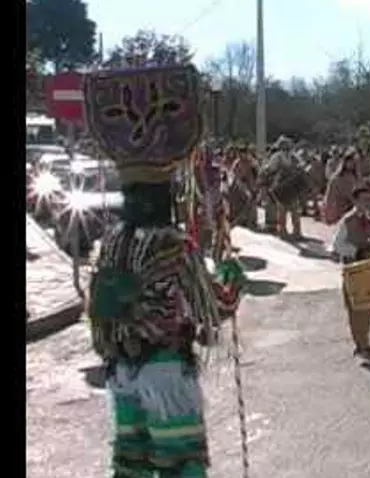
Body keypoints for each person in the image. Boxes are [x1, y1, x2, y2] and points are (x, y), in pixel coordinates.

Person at [83, 65, 236, 478]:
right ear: (165, 195)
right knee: (178, 464)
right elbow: (214, 308)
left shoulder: (111, 242)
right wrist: (232, 279)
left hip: (121, 373)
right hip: (166, 373)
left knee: (130, 464)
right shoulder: (172, 244)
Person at [329, 187, 370, 361]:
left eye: (369, 200)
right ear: (355, 201)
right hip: (354, 271)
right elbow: (337, 245)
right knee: (356, 311)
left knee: (368, 310)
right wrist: (356, 251)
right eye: (363, 200)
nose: (367, 203)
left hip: (369, 271)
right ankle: (362, 346)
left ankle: (364, 343)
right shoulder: (347, 221)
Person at [324, 147, 367, 225]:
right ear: (345, 162)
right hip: (340, 209)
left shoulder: (356, 177)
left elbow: (361, 191)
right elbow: (330, 196)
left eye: (354, 162)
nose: (352, 164)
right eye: (350, 161)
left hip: (353, 206)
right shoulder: (336, 178)